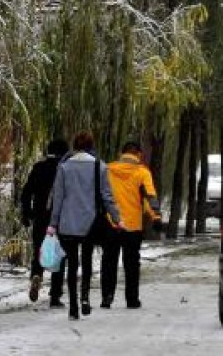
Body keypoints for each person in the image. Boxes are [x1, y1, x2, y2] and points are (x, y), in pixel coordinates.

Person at [48, 131, 122, 320]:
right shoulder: (100, 166)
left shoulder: (64, 167)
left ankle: (73, 306)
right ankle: (85, 299)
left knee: (72, 264)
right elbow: (107, 197)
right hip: (90, 223)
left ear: (75, 146)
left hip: (68, 223)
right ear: (91, 146)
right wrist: (117, 218)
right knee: (87, 261)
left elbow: (58, 198)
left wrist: (53, 223)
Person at [101, 139, 163, 309]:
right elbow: (150, 197)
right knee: (131, 265)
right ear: (138, 154)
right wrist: (156, 217)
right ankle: (132, 299)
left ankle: (107, 297)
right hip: (133, 226)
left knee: (109, 262)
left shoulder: (108, 169)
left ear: (122, 153)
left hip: (111, 223)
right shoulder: (142, 172)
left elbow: (102, 195)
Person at [20, 137, 69, 306]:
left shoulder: (39, 168)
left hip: (41, 217)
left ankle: (37, 274)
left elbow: (26, 192)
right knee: (60, 255)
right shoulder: (66, 169)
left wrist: (27, 214)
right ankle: (55, 296)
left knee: (39, 250)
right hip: (61, 219)